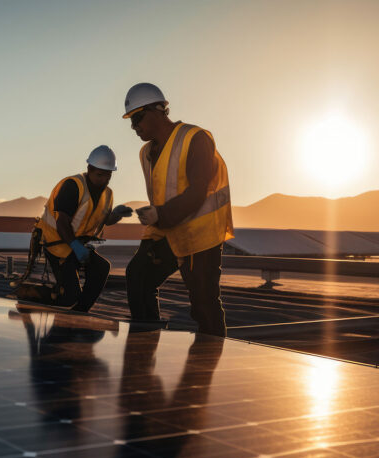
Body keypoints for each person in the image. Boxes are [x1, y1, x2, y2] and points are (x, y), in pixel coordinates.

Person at [122, 83, 234, 336]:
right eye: (131, 121)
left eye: (137, 117)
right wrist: (154, 214)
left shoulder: (195, 138)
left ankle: (208, 367)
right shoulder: (146, 153)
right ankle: (145, 347)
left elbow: (198, 190)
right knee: (138, 276)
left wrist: (161, 213)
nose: (134, 126)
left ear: (157, 110)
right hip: (167, 231)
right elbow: (165, 190)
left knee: (204, 305)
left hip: (200, 235)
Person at [35, 145, 133, 312]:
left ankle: (80, 312)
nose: (104, 180)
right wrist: (75, 247)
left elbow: (104, 220)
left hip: (80, 245)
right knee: (70, 295)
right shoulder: (73, 186)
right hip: (58, 245)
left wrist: (116, 214)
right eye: (100, 175)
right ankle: (39, 302)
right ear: (89, 169)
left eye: (108, 176)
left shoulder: (107, 193)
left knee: (101, 268)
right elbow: (62, 223)